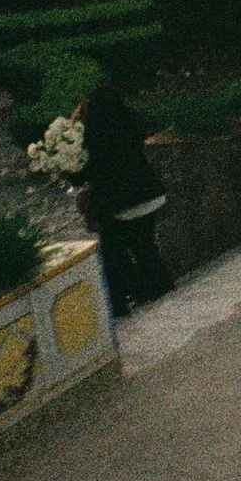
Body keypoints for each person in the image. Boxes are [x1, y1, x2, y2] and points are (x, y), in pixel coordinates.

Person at [76, 75, 170, 314]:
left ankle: (125, 299)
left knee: (114, 253)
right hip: (149, 195)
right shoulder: (130, 123)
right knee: (144, 246)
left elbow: (92, 174)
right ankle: (157, 286)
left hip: (125, 205)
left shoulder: (97, 139)